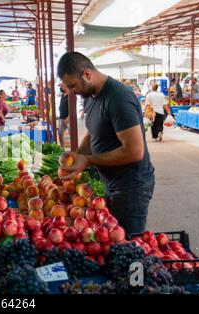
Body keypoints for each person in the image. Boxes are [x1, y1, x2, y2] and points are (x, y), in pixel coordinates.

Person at [57, 52, 155, 235]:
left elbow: (134, 151)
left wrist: (89, 160)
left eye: (72, 86)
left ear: (87, 74)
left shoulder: (118, 98)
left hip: (131, 188)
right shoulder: (90, 96)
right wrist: (77, 155)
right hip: (113, 184)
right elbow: (94, 131)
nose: (71, 91)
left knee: (126, 245)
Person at [58, 82, 70, 149]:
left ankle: (74, 149)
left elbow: (73, 108)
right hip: (61, 117)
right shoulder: (63, 94)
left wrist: (69, 117)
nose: (60, 88)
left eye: (62, 86)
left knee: (71, 134)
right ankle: (62, 148)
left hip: (68, 118)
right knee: (60, 133)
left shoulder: (70, 95)